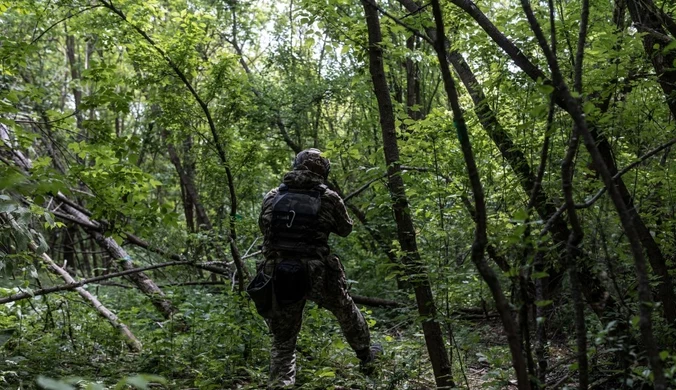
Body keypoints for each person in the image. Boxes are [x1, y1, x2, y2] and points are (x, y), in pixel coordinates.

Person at [254, 148, 381, 388]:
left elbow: (265, 227)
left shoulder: (272, 195)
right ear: (323, 170)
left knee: (283, 342)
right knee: (346, 311)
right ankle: (366, 358)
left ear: (296, 164)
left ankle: (281, 384)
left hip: (279, 272)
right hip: (317, 272)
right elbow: (345, 229)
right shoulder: (329, 197)